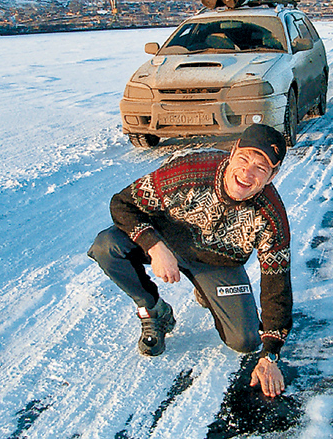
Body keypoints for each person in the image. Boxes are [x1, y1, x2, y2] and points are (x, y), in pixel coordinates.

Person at [88, 123, 292, 398]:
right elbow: (122, 204)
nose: (247, 172)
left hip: (217, 264)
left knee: (245, 341)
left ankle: (205, 290)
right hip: (167, 242)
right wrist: (155, 245)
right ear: (232, 152)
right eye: (243, 159)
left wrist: (270, 355)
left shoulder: (272, 218)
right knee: (107, 246)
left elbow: (276, 286)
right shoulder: (189, 171)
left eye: (261, 167)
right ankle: (154, 310)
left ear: (272, 176)